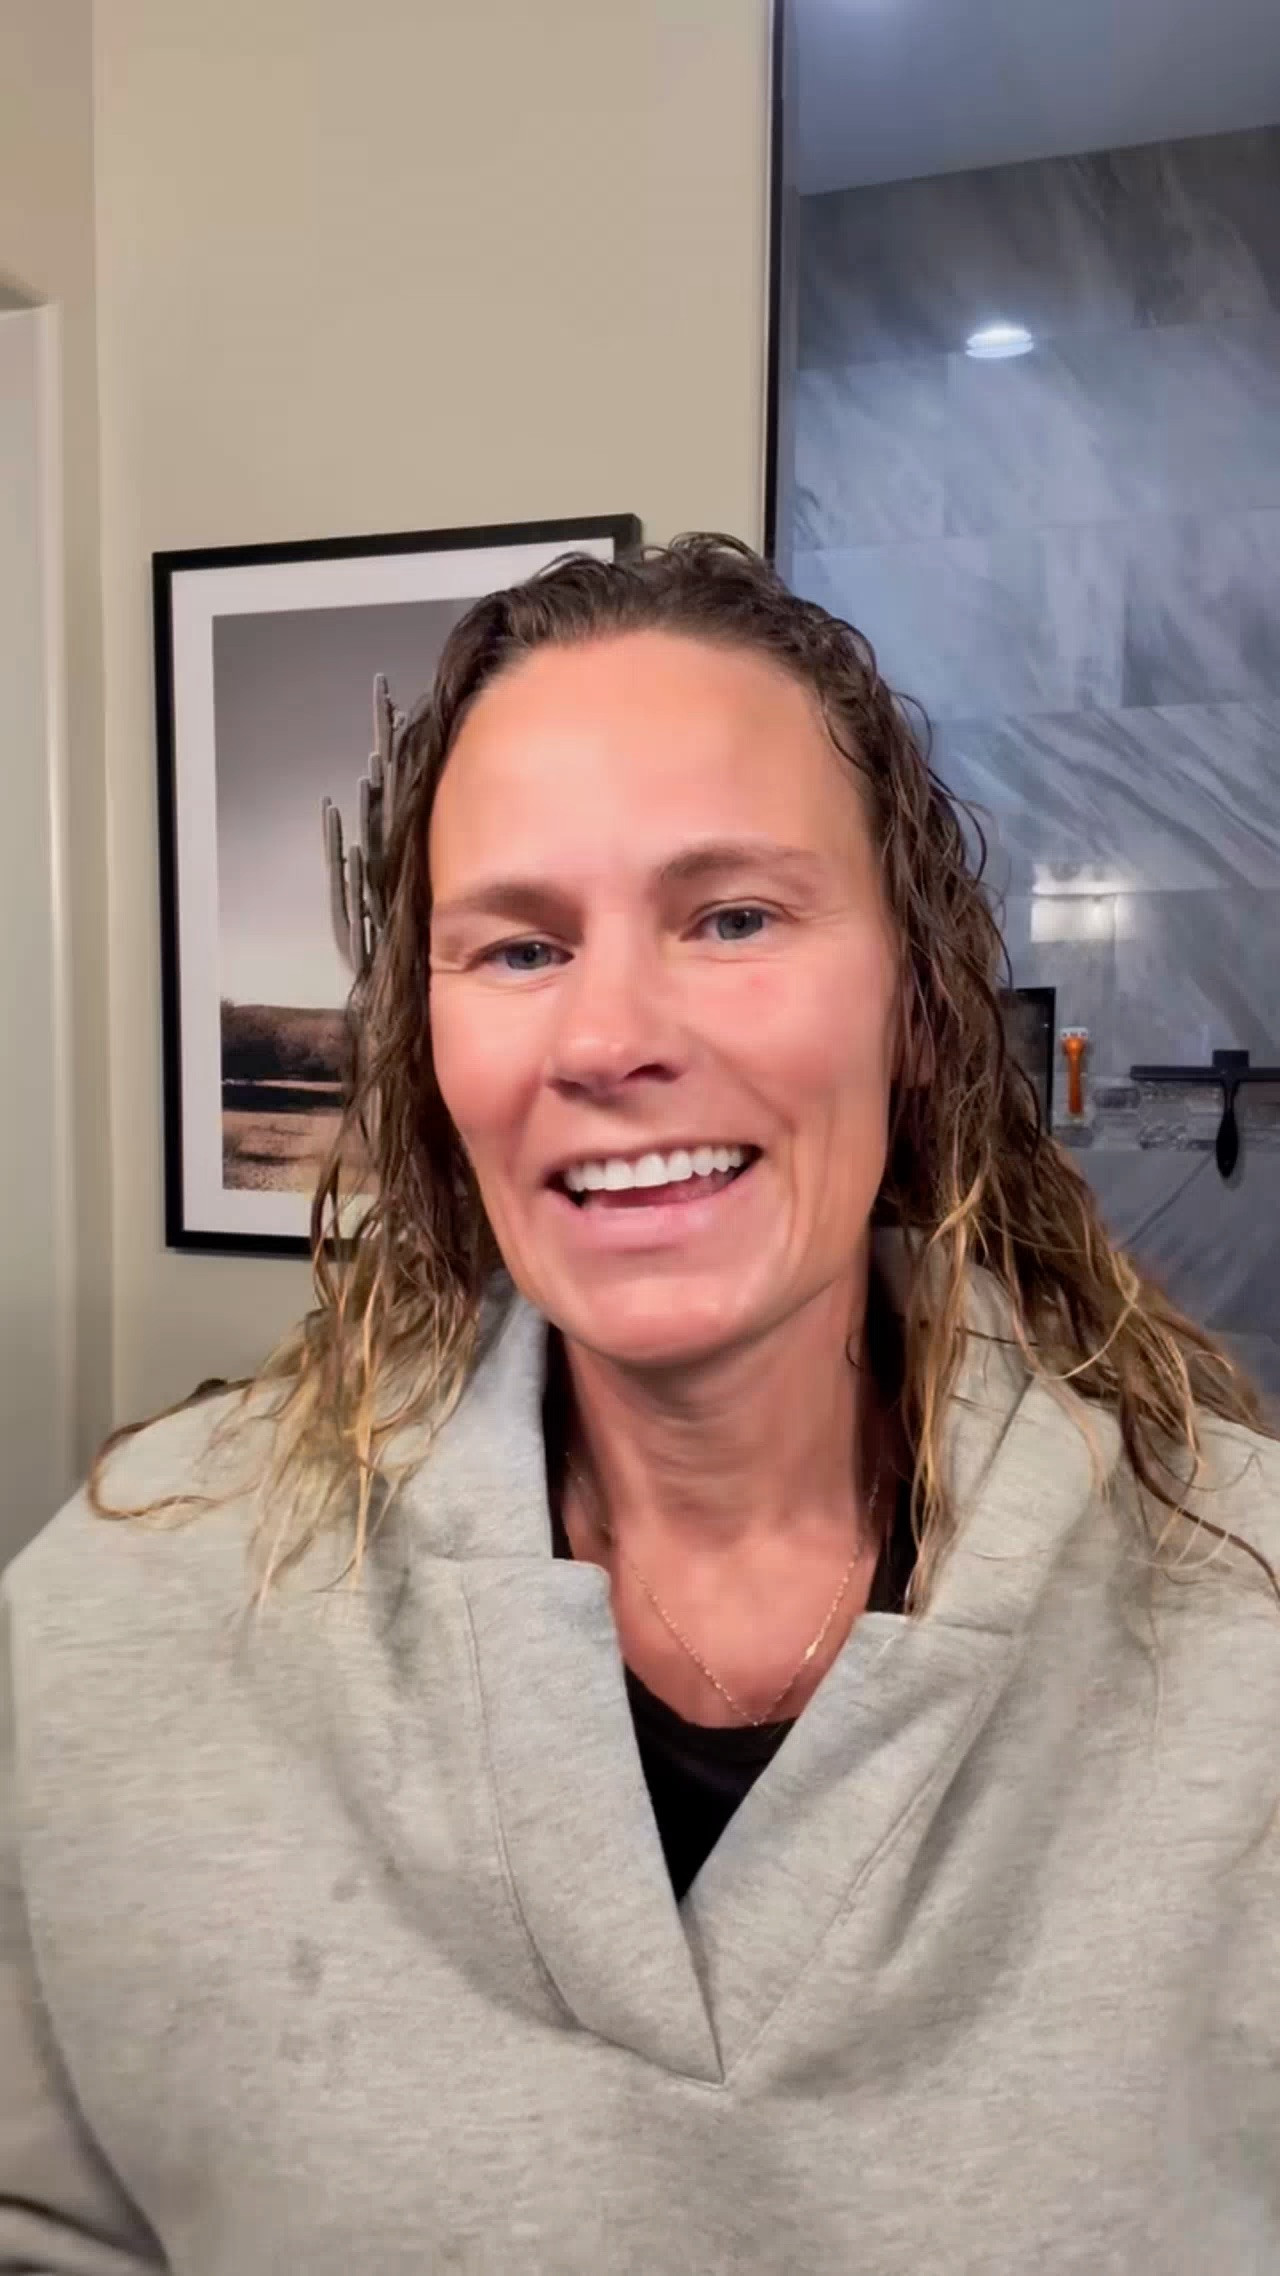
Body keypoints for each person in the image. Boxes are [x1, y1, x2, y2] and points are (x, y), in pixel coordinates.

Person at [2, 535, 1277, 2275]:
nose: (608, 1039)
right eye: (520, 947)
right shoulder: (127, 1614)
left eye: (733, 917)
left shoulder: (1244, 1637)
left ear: (913, 1000)